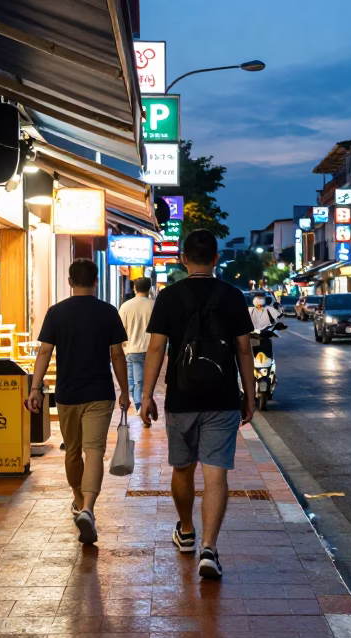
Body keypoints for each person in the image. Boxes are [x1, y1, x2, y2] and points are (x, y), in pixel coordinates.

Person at [140, 230, 256, 580]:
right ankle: (209, 547)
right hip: (222, 397)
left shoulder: (169, 297)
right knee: (216, 471)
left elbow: (156, 349)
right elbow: (244, 349)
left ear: (183, 259)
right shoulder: (233, 296)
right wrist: (249, 395)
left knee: (182, 467)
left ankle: (187, 531)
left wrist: (147, 395)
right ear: (217, 259)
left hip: (181, 396)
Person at [25, 258, 129, 545]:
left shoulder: (56, 313)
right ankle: (88, 509)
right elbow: (117, 355)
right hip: (99, 393)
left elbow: (45, 352)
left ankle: (77, 497)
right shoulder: (108, 312)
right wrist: (125, 390)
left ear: (70, 282)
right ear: (96, 281)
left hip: (67, 393)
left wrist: (35, 388)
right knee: (94, 450)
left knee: (72, 450)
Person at [119, 277, 154, 423]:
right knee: (139, 381)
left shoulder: (126, 306)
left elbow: (120, 330)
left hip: (130, 349)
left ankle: (140, 406)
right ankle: (140, 406)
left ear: (135, 288)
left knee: (134, 381)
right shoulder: (154, 305)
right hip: (150, 349)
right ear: (149, 288)